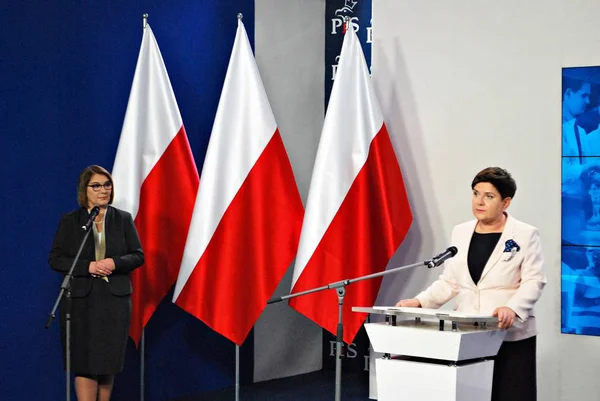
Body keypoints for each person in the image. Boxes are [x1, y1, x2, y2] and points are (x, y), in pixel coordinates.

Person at [396, 167, 546, 401]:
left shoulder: (525, 234)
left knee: (511, 394)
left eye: (489, 196)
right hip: (469, 334)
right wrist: (421, 302)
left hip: (508, 333)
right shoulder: (461, 232)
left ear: (505, 202)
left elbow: (534, 280)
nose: (480, 202)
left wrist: (513, 308)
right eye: (476, 193)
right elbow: (451, 281)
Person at [49, 165, 144, 401]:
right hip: (82, 301)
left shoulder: (122, 219)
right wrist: (88, 266)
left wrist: (115, 262)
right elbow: (56, 259)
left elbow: (138, 255)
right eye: (97, 185)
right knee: (85, 363)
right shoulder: (71, 221)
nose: (104, 190)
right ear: (85, 190)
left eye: (107, 184)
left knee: (107, 363)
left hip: (114, 302)